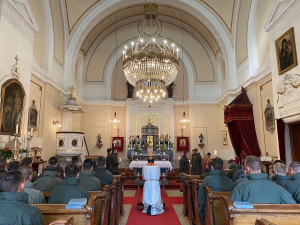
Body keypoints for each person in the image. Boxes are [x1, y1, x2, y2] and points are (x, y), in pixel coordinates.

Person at [230, 156, 296, 204]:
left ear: (247, 168)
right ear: (260, 168)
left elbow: (230, 206)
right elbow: (292, 205)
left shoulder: (240, 188)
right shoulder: (277, 187)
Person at [198, 157, 234, 224]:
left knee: (200, 213)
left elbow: (201, 201)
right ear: (222, 168)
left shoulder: (207, 180)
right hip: (227, 214)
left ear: (212, 167)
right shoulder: (230, 182)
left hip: (210, 213)